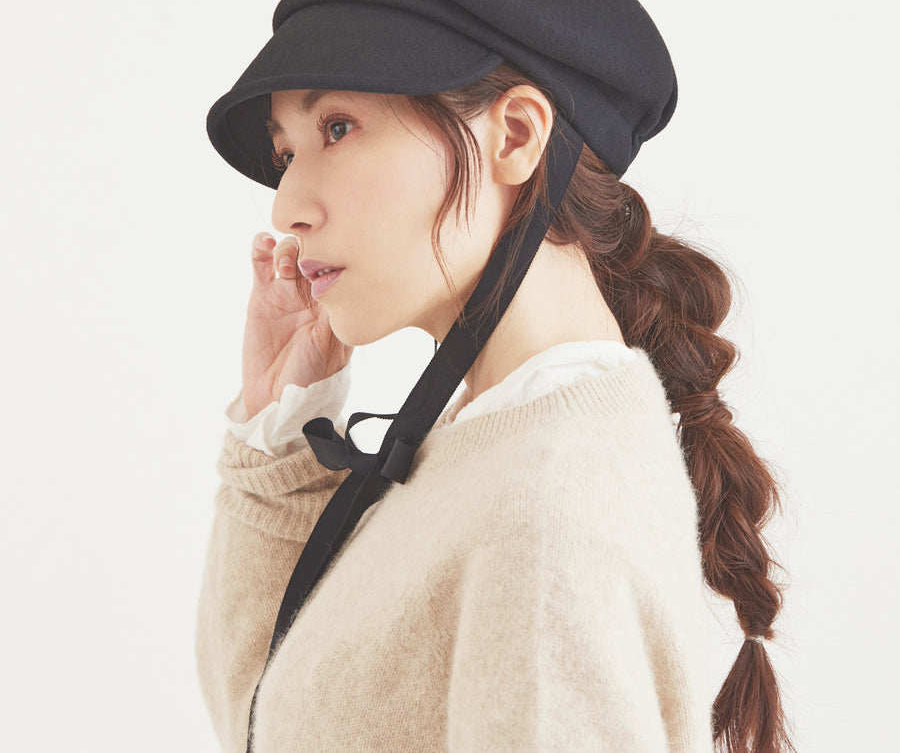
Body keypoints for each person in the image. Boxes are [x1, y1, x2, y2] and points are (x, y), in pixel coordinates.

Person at [196, 73, 793, 752]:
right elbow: (271, 725)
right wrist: (280, 430)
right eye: (287, 155)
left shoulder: (544, 515)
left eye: (337, 128)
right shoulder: (499, 446)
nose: (286, 209)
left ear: (514, 136)